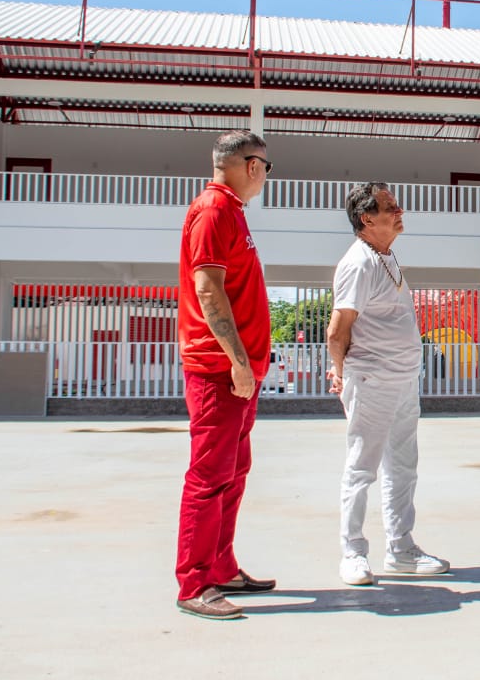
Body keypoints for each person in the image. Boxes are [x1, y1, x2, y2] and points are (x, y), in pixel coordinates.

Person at [175, 130, 276, 620]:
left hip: (238, 371)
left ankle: (221, 566)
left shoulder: (232, 211)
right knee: (209, 476)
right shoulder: (214, 211)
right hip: (218, 370)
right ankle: (194, 583)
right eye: (267, 168)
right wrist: (237, 361)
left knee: (232, 474)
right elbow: (209, 291)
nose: (265, 178)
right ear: (252, 165)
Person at [327, 183, 449, 586]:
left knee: (403, 468)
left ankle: (401, 549)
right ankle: (352, 553)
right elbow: (338, 328)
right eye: (390, 207)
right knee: (362, 469)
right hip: (372, 378)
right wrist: (340, 372)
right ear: (367, 219)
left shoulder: (386, 256)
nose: (400, 211)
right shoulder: (358, 263)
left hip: (402, 379)